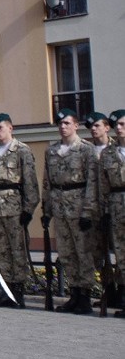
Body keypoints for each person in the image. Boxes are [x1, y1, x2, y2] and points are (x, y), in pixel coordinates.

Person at [0, 113, 40, 309]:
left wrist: (29, 208)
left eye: (0, 127)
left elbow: (30, 182)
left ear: (10, 128)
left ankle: (17, 292)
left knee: (17, 250)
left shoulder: (22, 151)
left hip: (15, 208)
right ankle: (3, 288)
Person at [40, 108, 97, 315]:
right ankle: (74, 293)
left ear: (76, 125)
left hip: (79, 205)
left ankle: (85, 296)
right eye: (60, 124)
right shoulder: (51, 150)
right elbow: (47, 182)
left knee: (83, 252)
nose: (62, 127)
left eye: (66, 123)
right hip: (59, 206)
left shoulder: (86, 150)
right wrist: (46, 209)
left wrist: (88, 211)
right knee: (66, 253)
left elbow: (92, 182)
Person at [84, 111, 122, 308]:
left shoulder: (115, 149)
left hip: (115, 208)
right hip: (97, 210)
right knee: (98, 254)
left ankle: (121, 290)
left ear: (107, 127)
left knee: (120, 251)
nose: (93, 129)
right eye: (90, 126)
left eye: (97, 125)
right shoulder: (87, 151)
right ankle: (109, 289)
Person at [96, 109, 125, 317]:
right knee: (121, 255)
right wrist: (105, 211)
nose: (120, 129)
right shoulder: (108, 153)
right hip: (115, 205)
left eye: (123, 124)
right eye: (117, 126)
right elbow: (103, 185)